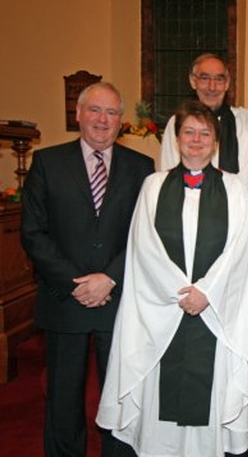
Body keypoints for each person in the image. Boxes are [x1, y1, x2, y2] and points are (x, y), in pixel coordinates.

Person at [96, 100, 248, 456]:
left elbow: (241, 248)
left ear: (215, 142)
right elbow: (143, 248)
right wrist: (181, 294)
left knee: (211, 400)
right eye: (188, 131)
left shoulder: (235, 189)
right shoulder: (154, 186)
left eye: (205, 133)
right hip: (165, 314)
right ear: (176, 138)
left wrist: (206, 292)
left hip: (214, 314)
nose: (196, 139)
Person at [20, 82, 154, 457]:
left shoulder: (141, 168)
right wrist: (76, 282)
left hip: (119, 301)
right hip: (65, 299)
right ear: (78, 114)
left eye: (112, 113)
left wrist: (110, 277)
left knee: (121, 399)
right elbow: (33, 232)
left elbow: (145, 235)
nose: (102, 120)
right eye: (95, 110)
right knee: (63, 400)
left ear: (121, 122)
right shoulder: (47, 162)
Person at [160, 53, 248, 194]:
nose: (212, 87)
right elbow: (170, 175)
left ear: (227, 83)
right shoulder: (178, 123)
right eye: (205, 78)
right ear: (193, 81)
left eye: (219, 79)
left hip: (242, 207)